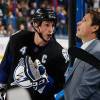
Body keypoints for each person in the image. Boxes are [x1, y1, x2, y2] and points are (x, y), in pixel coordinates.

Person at [0, 8, 68, 100]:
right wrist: (1, 86)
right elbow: (5, 65)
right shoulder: (18, 39)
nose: (51, 30)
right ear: (36, 25)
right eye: (47, 25)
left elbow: (59, 86)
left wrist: (44, 81)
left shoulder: (59, 52)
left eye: (53, 25)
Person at [64, 9, 100, 100]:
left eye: (84, 20)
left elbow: (84, 91)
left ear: (95, 28)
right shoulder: (87, 49)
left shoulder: (97, 52)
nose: (78, 23)